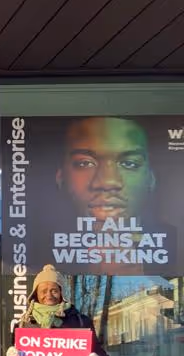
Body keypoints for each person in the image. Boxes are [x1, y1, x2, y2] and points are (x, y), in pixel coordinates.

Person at [39, 115, 170, 274]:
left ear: (151, 177)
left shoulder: (174, 248)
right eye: (85, 163)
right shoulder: (36, 254)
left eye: (129, 163)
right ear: (60, 176)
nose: (108, 182)